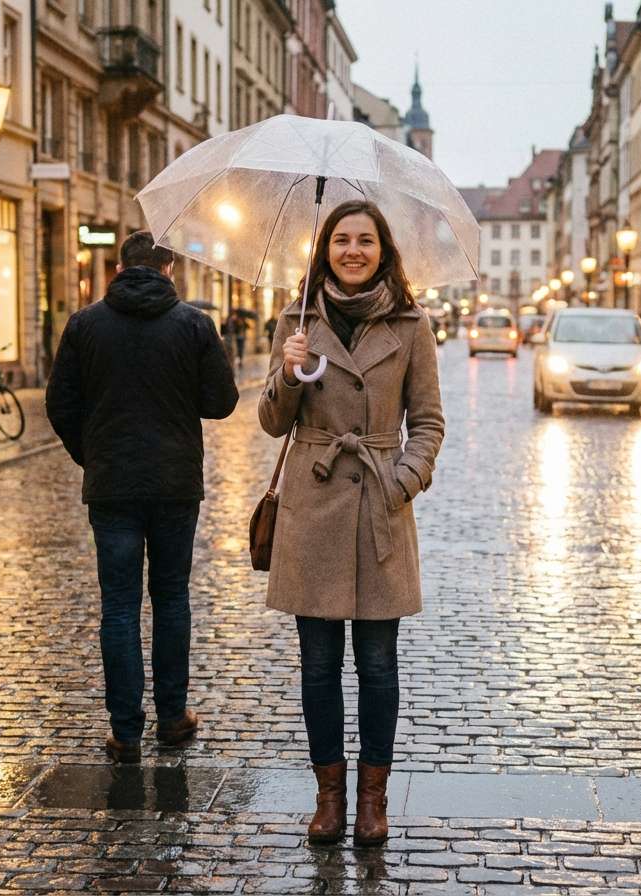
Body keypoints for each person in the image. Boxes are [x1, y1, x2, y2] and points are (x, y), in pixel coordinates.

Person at [259, 200, 445, 847]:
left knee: (378, 665)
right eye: (342, 240)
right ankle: (329, 799)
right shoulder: (297, 316)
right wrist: (287, 371)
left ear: (383, 249)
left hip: (378, 507)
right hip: (313, 510)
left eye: (365, 240)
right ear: (326, 249)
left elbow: (427, 422)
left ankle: (373, 802)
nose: (353, 250)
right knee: (316, 666)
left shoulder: (411, 324)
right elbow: (270, 421)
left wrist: (401, 480)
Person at [46, 231, 238, 764]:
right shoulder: (195, 325)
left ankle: (125, 731)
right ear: (168, 268)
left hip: (112, 484)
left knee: (120, 604)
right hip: (176, 484)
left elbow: (59, 405)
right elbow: (221, 402)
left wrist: (94, 454)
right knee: (172, 597)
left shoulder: (85, 325)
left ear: (119, 267)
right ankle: (173, 717)